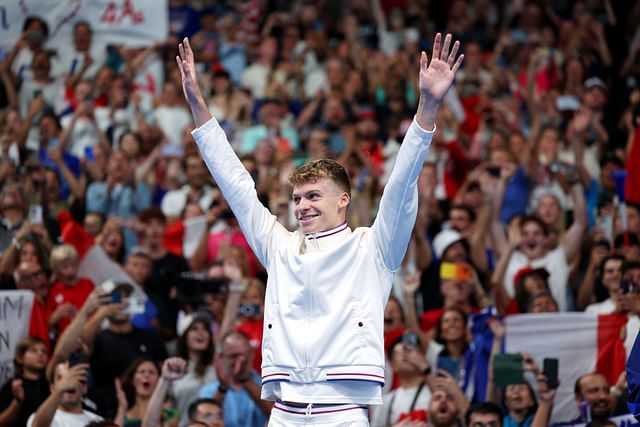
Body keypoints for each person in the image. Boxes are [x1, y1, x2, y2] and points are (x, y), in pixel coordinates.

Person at [177, 31, 464, 425]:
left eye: (313, 196)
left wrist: (427, 108)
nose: (301, 206)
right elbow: (238, 189)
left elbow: (400, 188)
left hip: (343, 413)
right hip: (283, 413)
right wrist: (199, 108)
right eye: (297, 199)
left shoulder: (373, 247)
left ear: (343, 199)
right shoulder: (279, 246)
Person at [198, 332, 269, 427]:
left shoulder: (267, 385)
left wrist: (243, 379)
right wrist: (223, 387)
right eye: (234, 356)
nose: (242, 360)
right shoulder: (209, 390)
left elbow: (273, 411)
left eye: (245, 354)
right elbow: (205, 420)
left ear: (252, 354)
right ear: (221, 357)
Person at [27, 361, 102, 427]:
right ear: (52, 387)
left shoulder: (99, 422)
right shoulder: (40, 418)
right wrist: (60, 389)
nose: (68, 383)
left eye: (74, 378)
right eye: (61, 378)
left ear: (84, 387)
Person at [45, 244, 95, 335]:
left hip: (90, 333)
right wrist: (57, 314)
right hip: (66, 338)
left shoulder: (88, 284)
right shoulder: (53, 291)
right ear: (56, 270)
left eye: (73, 265)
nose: (71, 271)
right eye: (65, 267)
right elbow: (47, 324)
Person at [0, 336, 50, 427]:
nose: (40, 354)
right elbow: (2, 422)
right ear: (19, 358)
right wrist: (17, 401)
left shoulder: (50, 384)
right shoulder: (11, 386)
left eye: (44, 351)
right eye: (33, 351)